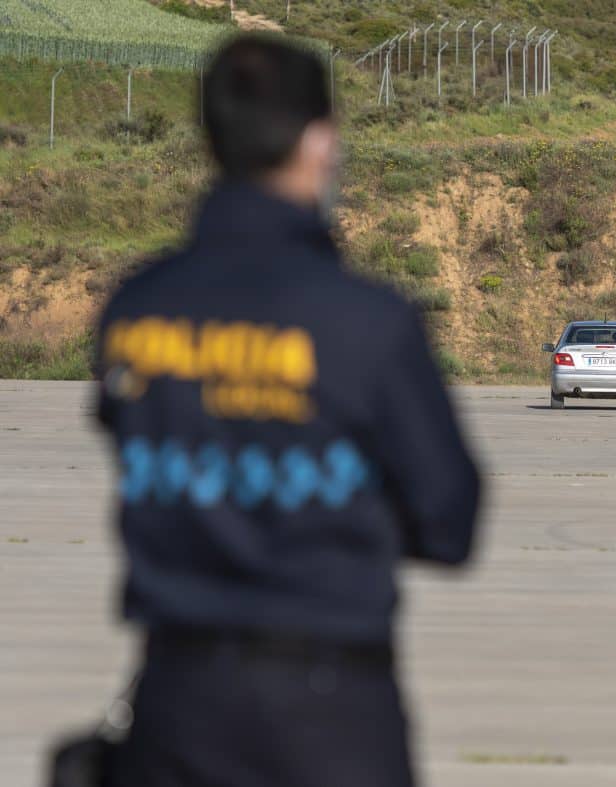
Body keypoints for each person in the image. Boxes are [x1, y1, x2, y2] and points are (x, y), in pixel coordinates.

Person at [92, 36, 482, 787]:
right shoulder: (366, 320)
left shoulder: (137, 306)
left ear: (210, 137)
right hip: (329, 705)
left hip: (176, 696)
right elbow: (450, 520)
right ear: (320, 138)